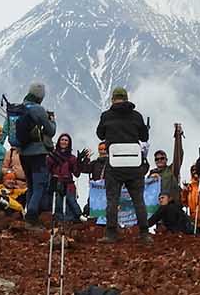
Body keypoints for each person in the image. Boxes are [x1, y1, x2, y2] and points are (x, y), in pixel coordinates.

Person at [94, 85, 153, 243]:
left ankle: (111, 234)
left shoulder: (106, 116)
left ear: (113, 99)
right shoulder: (137, 116)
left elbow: (100, 134)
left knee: (112, 200)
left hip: (115, 165)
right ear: (126, 99)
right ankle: (144, 233)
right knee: (138, 200)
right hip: (134, 164)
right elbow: (144, 137)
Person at [11, 82, 55, 223]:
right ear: (40, 96)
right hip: (37, 153)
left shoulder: (20, 108)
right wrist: (52, 121)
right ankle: (32, 214)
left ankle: (28, 213)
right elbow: (50, 131)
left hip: (23, 153)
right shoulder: (38, 109)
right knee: (39, 185)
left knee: (30, 185)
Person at [46, 133, 87, 222]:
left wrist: (79, 162)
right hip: (56, 182)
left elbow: (76, 173)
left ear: (69, 143)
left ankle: (77, 217)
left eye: (66, 140)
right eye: (62, 140)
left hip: (68, 184)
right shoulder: (52, 156)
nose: (64, 142)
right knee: (58, 204)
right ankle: (59, 221)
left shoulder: (72, 158)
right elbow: (47, 170)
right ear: (59, 141)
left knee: (71, 201)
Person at [153, 123, 185, 201]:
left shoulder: (171, 170)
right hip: (155, 205)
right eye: (157, 159)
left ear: (166, 160)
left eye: (162, 158)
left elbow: (178, 156)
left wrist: (178, 137)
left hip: (170, 204)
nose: (159, 160)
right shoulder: (151, 174)